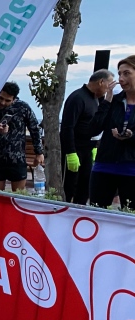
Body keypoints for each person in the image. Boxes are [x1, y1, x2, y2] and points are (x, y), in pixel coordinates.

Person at [61, 69, 115, 204]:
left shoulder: (96, 99)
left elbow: (96, 124)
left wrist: (95, 146)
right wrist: (70, 152)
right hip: (75, 150)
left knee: (85, 187)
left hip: (88, 150)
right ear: (101, 82)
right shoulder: (77, 98)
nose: (108, 90)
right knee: (69, 187)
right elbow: (67, 127)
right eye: (108, 85)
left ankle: (80, 212)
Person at [89, 55, 135, 210]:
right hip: (105, 166)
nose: (121, 79)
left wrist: (131, 136)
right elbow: (94, 129)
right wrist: (107, 100)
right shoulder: (114, 101)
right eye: (119, 74)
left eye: (126, 73)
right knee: (96, 212)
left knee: (130, 216)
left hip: (132, 169)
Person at [0, 81, 44, 192]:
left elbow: (35, 129)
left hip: (17, 159)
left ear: (14, 99)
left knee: (18, 195)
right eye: (1, 98)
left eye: (7, 100)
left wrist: (39, 152)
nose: (3, 102)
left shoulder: (22, 107)